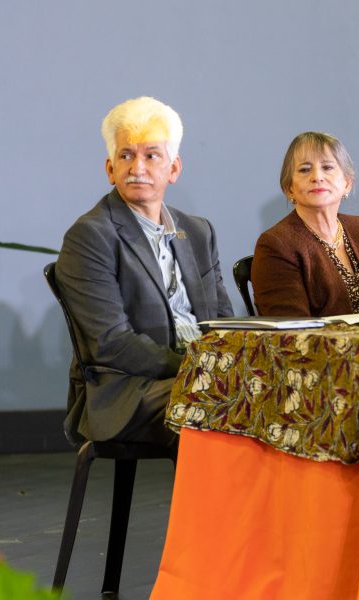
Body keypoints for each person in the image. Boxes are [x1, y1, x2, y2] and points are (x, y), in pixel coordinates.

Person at [56, 96, 232, 446]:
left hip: (199, 376)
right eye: (126, 155)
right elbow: (111, 344)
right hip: (126, 389)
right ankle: (210, 504)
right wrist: (196, 368)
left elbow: (222, 318)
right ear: (110, 168)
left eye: (151, 155)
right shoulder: (90, 236)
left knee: (280, 401)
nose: (137, 167)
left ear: (174, 168)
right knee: (225, 408)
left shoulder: (198, 231)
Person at [251, 132, 359, 317]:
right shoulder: (275, 244)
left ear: (347, 183)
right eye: (304, 169)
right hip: (319, 345)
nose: (317, 176)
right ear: (289, 188)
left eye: (327, 167)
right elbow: (290, 332)